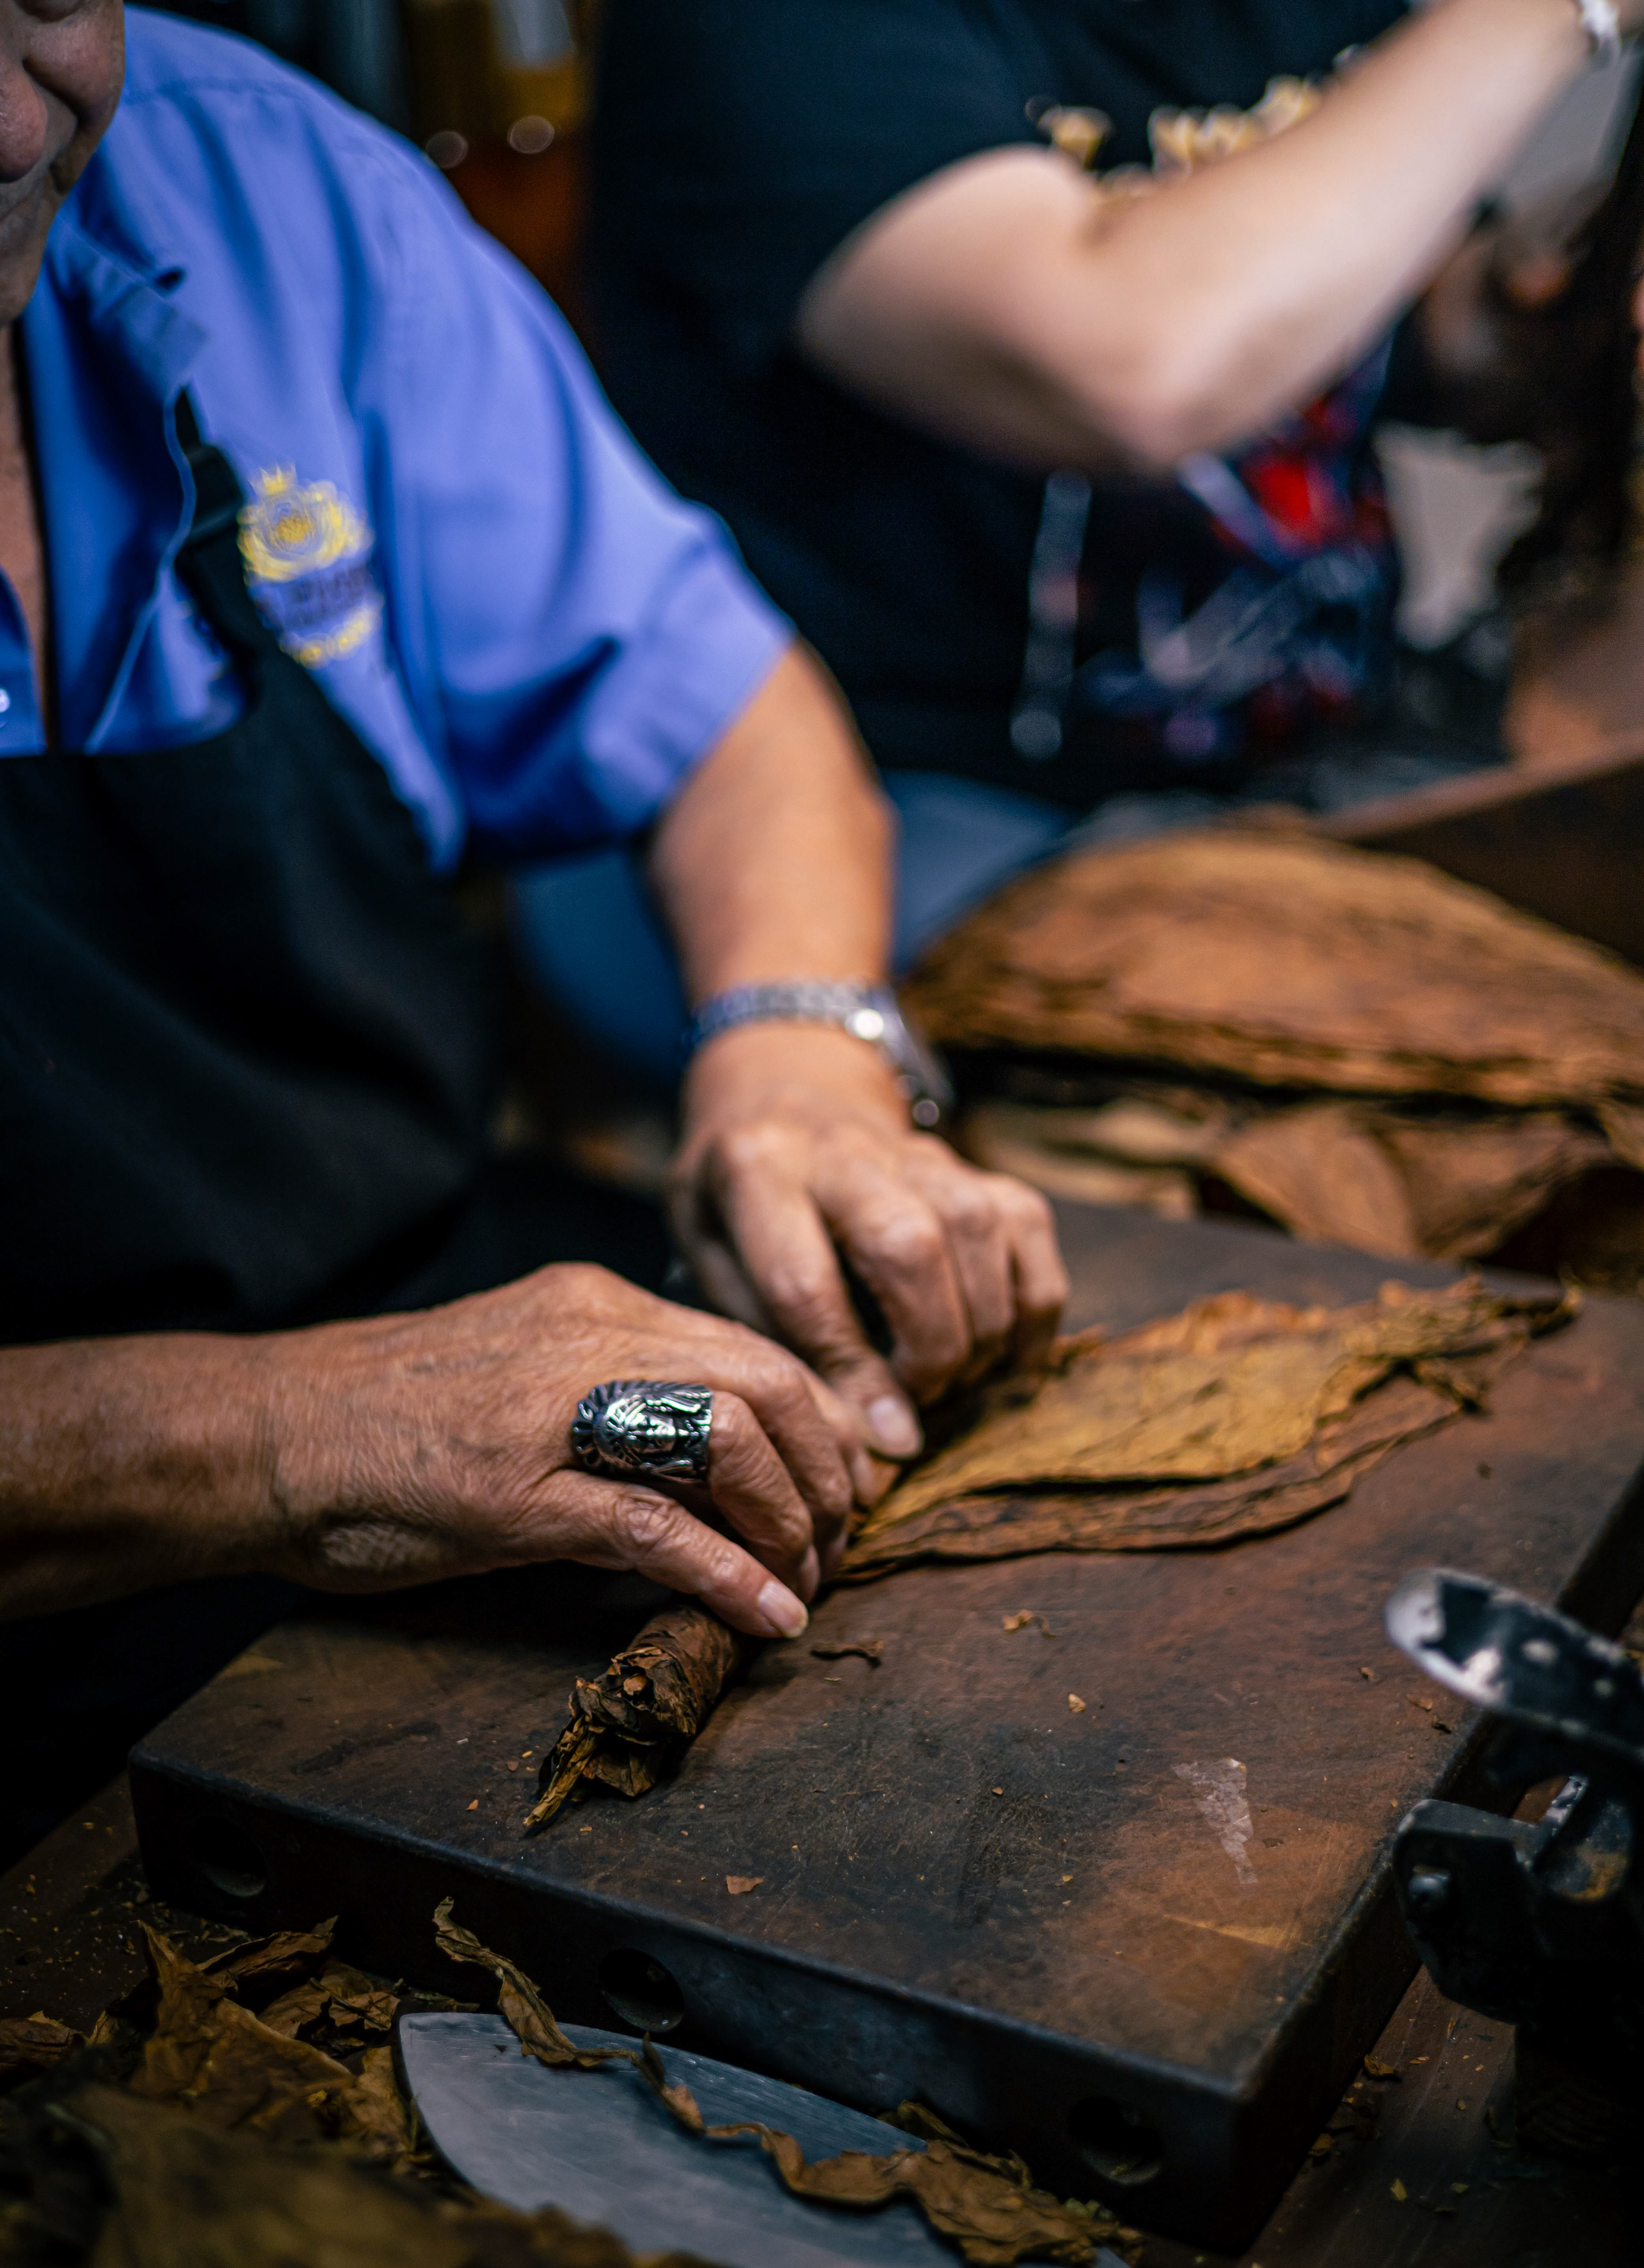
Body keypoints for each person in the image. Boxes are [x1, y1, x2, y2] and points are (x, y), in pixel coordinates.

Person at [0, 1, 1066, 1865]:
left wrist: (799, 1057)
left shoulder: (267, 188)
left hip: (429, 1328)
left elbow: (731, 719)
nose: (16, 130)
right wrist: (282, 1436)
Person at [521, 0, 1643, 1083]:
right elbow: (1130, 367)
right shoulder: (773, 22)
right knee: (1506, 1062)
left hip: (1305, 764)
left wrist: (1556, 295)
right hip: (866, 810)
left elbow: (1394, 327)